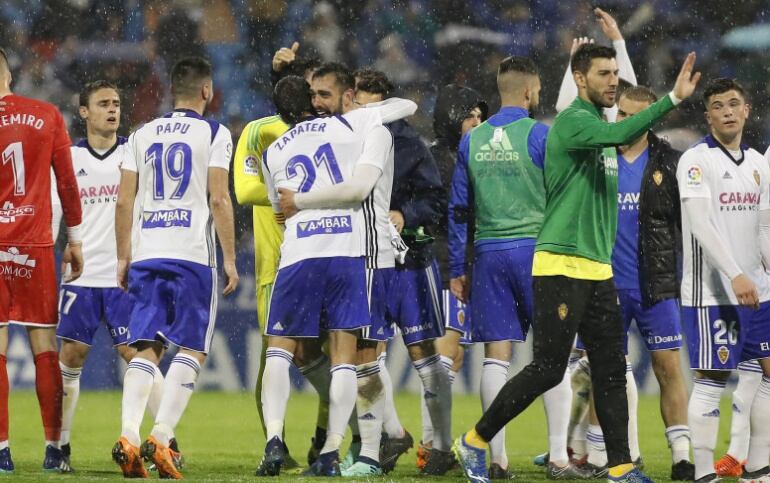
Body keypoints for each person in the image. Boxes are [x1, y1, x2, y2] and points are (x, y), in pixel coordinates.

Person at [453, 44, 700, 483]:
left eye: (615, 73)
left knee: (609, 368)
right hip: (561, 265)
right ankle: (474, 439)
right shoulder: (573, 124)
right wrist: (672, 99)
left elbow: (620, 132)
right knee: (548, 368)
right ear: (581, 80)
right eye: (604, 73)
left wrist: (621, 44)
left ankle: (621, 464)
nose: (613, 81)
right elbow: (621, 134)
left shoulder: (598, 125)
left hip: (596, 268)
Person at [276, 73, 418, 477]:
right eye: (312, 95)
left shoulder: (368, 129)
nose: (317, 102)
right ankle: (388, 433)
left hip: (371, 253)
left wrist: (299, 201)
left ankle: (372, 453)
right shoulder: (339, 135)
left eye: (325, 95)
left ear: (349, 97)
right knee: (357, 357)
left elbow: (358, 187)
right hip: (347, 253)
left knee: (364, 358)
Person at [448, 55, 580, 480]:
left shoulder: (472, 140)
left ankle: (495, 459)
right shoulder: (540, 136)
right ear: (528, 92)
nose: (539, 96)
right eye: (538, 90)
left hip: (488, 254)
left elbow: (458, 210)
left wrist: (456, 267)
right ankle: (558, 456)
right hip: (537, 253)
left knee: (495, 358)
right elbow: (562, 197)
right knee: (553, 354)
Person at [111, 56, 238, 479]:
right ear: (206, 91)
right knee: (193, 347)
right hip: (191, 254)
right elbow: (219, 199)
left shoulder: (141, 133)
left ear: (171, 90)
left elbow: (124, 200)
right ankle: (161, 437)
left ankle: (128, 434)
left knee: (146, 346)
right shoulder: (215, 132)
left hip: (147, 251)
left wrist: (124, 255)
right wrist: (232, 259)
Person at [52, 80, 180, 472]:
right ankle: (60, 447)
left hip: (127, 273)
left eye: (117, 103)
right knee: (71, 356)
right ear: (84, 111)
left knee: (137, 355)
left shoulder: (135, 150)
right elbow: (55, 210)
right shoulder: (69, 157)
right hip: (83, 275)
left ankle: (164, 442)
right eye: (103, 103)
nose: (113, 109)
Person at [257, 75, 379, 478]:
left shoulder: (273, 150)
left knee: (280, 348)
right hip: (345, 252)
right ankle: (329, 452)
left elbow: (281, 210)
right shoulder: (349, 127)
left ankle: (274, 441)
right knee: (344, 356)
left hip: (299, 254)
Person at [346, 67, 454, 475]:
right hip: (368, 262)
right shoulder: (348, 136)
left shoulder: (410, 144)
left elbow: (434, 200)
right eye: (360, 101)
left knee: (424, 355)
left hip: (410, 263)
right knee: (365, 358)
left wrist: (404, 214)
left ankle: (439, 445)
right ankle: (374, 452)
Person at [235, 42, 323, 471]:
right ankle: (278, 443)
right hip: (275, 263)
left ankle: (328, 438)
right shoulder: (260, 130)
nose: (317, 99)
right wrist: (290, 194)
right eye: (312, 91)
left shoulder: (327, 130)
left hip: (323, 255)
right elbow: (245, 190)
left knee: (330, 354)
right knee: (282, 354)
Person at [677, 78, 770, 483]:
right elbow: (700, 224)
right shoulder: (696, 160)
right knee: (712, 379)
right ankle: (702, 472)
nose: (728, 111)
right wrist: (734, 274)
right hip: (712, 294)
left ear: (747, 110)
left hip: (758, 292)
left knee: (767, 371)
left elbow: (764, 228)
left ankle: (759, 466)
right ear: (708, 115)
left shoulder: (758, 163)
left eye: (735, 103)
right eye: (719, 106)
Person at [0, 45, 83, 473]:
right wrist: (77, 239)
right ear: (9, 76)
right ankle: (54, 450)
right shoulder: (46, 114)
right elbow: (67, 183)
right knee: (44, 346)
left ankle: (2, 452)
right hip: (34, 243)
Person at [610, 85, 694, 480]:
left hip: (655, 286)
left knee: (668, 369)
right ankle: (612, 456)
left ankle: (681, 456)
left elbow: (687, 227)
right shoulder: (600, 157)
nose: (624, 121)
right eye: (620, 113)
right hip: (604, 285)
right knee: (605, 374)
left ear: (651, 118)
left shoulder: (670, 163)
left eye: (632, 115)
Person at [426, 82, 486, 470]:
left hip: (457, 262)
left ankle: (431, 444)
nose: (478, 121)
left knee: (452, 356)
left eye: (481, 115)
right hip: (449, 266)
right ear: (452, 118)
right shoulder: (444, 161)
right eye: (470, 116)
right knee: (444, 356)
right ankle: (435, 448)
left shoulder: (453, 156)